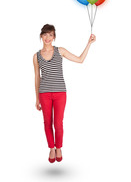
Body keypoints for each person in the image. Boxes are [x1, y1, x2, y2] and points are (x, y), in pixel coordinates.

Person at [33, 24, 96, 163]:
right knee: (47, 122)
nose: (47, 38)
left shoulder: (60, 51)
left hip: (60, 92)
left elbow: (80, 59)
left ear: (54, 37)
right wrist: (37, 98)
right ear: (41, 36)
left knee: (58, 123)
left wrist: (89, 43)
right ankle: (51, 148)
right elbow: (37, 77)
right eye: (45, 34)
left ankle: (59, 147)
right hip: (44, 93)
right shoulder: (36, 56)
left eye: (50, 35)